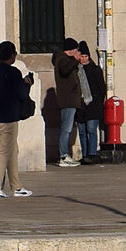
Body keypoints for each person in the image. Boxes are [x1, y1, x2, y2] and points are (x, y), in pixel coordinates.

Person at [0, 39, 35, 198]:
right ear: (13, 55)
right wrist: (27, 83)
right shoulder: (13, 72)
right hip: (8, 117)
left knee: (12, 150)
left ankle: (16, 186)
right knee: (3, 152)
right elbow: (22, 94)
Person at [53, 38, 84, 166]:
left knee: (67, 128)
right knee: (66, 128)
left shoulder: (66, 60)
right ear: (71, 50)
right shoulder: (62, 59)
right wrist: (75, 60)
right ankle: (63, 155)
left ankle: (65, 155)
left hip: (71, 99)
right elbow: (65, 71)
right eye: (76, 49)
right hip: (67, 100)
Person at [78, 43, 107, 163]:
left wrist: (98, 101)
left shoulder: (95, 70)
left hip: (93, 104)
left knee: (91, 129)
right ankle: (85, 154)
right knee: (82, 131)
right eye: (82, 56)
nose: (84, 59)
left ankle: (92, 154)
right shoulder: (76, 70)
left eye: (86, 56)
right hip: (80, 105)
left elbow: (102, 87)